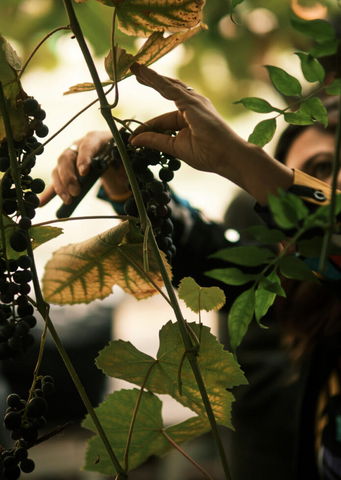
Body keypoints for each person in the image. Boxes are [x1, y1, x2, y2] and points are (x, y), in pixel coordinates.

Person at [40, 63, 341, 480]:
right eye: (318, 172)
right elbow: (199, 248)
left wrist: (238, 156)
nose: (333, 189)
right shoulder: (266, 265)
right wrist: (128, 180)